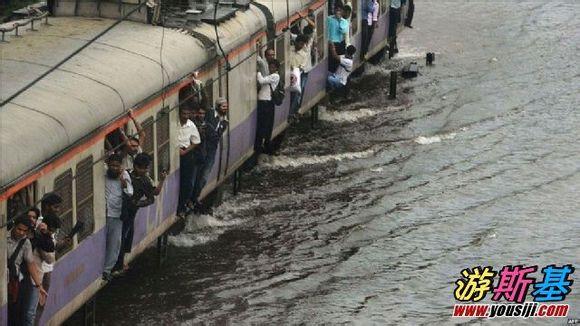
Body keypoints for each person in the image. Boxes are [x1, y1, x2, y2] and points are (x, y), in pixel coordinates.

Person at [113, 153, 165, 274]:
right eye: (142, 168)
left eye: (146, 168)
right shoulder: (127, 174)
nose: (144, 170)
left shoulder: (145, 181)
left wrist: (138, 204)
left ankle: (119, 263)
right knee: (122, 236)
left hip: (130, 212)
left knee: (123, 236)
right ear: (135, 166)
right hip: (118, 207)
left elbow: (152, 197)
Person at [7, 215, 47, 326]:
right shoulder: (3, 238)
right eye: (19, 229)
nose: (21, 233)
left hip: (13, 282)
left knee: (16, 313)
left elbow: (31, 264)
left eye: (24, 231)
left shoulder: (26, 243)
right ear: (14, 226)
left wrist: (39, 286)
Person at [191, 98, 228, 213]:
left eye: (226, 107)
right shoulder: (210, 113)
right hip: (202, 147)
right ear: (217, 106)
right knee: (196, 173)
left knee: (204, 176)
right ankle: (192, 198)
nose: (225, 109)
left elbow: (217, 136)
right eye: (223, 106)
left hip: (212, 149)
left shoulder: (225, 122)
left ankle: (195, 197)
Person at [102, 154, 133, 282]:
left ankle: (107, 270)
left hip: (116, 214)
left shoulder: (124, 175)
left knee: (114, 243)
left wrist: (122, 181)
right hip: (103, 214)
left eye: (117, 166)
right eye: (112, 165)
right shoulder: (104, 173)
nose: (114, 168)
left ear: (120, 166)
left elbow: (130, 192)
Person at [176, 106, 201, 217]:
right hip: (175, 152)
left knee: (186, 183)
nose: (185, 116)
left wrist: (185, 151)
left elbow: (196, 141)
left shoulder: (191, 125)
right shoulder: (174, 124)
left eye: (187, 114)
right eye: (184, 114)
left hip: (185, 154)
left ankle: (181, 206)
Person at [256, 59, 280, 155]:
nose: (271, 68)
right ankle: (263, 144)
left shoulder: (275, 76)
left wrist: (257, 72)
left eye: (273, 67)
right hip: (264, 102)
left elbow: (261, 81)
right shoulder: (270, 75)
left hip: (267, 102)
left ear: (277, 68)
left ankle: (264, 144)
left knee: (265, 124)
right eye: (270, 66)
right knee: (263, 124)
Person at [327, 5, 349, 73]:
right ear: (334, 11)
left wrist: (339, 20)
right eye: (337, 10)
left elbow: (343, 31)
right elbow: (326, 30)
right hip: (331, 42)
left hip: (340, 43)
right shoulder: (329, 19)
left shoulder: (344, 21)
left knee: (338, 60)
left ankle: (336, 73)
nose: (338, 12)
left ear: (342, 12)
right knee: (331, 60)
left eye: (339, 11)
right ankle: (331, 73)